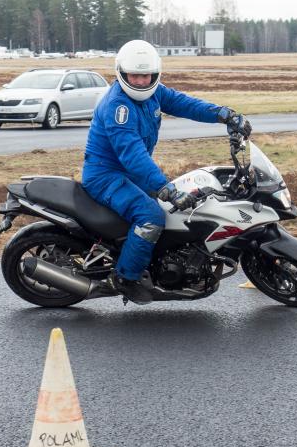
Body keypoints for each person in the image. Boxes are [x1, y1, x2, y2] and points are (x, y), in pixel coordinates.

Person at [82, 40, 252, 305]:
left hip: (130, 172)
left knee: (182, 209)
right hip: (107, 176)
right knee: (151, 217)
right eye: (134, 76)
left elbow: (186, 104)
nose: (139, 81)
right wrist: (166, 189)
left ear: (155, 74)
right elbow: (133, 155)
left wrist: (224, 115)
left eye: (145, 75)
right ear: (122, 74)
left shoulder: (155, 93)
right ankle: (125, 278)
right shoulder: (118, 108)